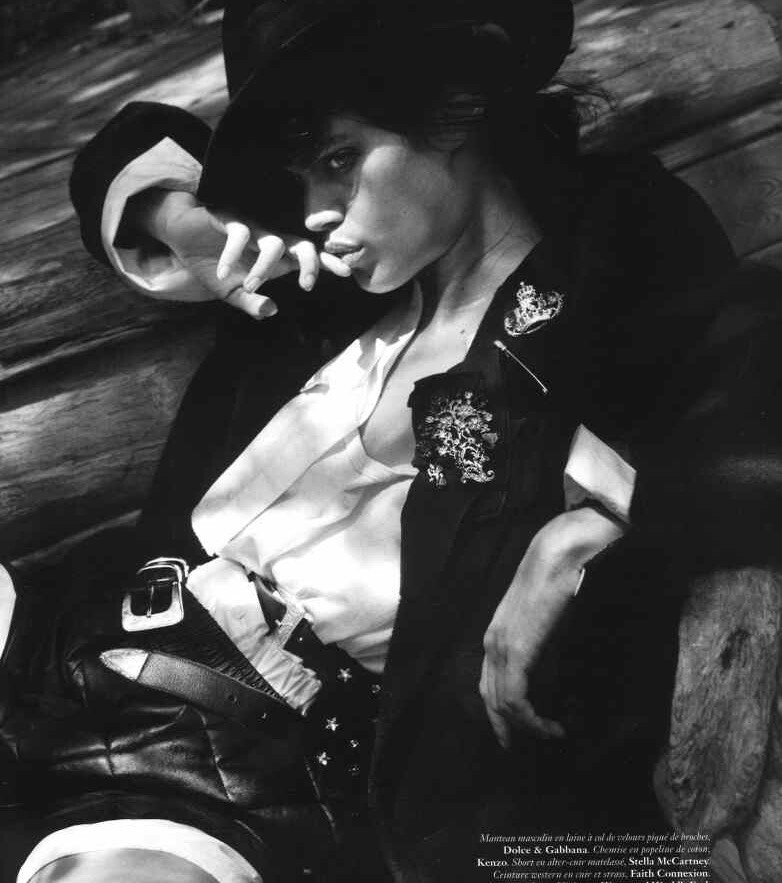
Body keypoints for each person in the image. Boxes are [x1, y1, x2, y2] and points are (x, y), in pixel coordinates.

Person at [3, 0, 782, 880]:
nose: (317, 209)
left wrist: (597, 526)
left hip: (223, 773)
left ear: (455, 107)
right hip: (62, 637)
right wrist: (193, 221)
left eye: (340, 160)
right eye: (300, 175)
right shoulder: (318, 289)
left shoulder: (603, 257)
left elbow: (747, 385)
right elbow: (121, 150)